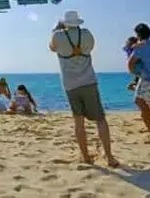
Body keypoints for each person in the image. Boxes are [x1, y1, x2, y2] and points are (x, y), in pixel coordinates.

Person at [49, 10, 118, 167]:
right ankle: (109, 157)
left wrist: (58, 30)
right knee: (100, 119)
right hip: (88, 81)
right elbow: (90, 48)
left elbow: (52, 48)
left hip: (70, 84)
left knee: (78, 122)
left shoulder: (57, 36)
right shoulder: (87, 34)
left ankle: (85, 157)